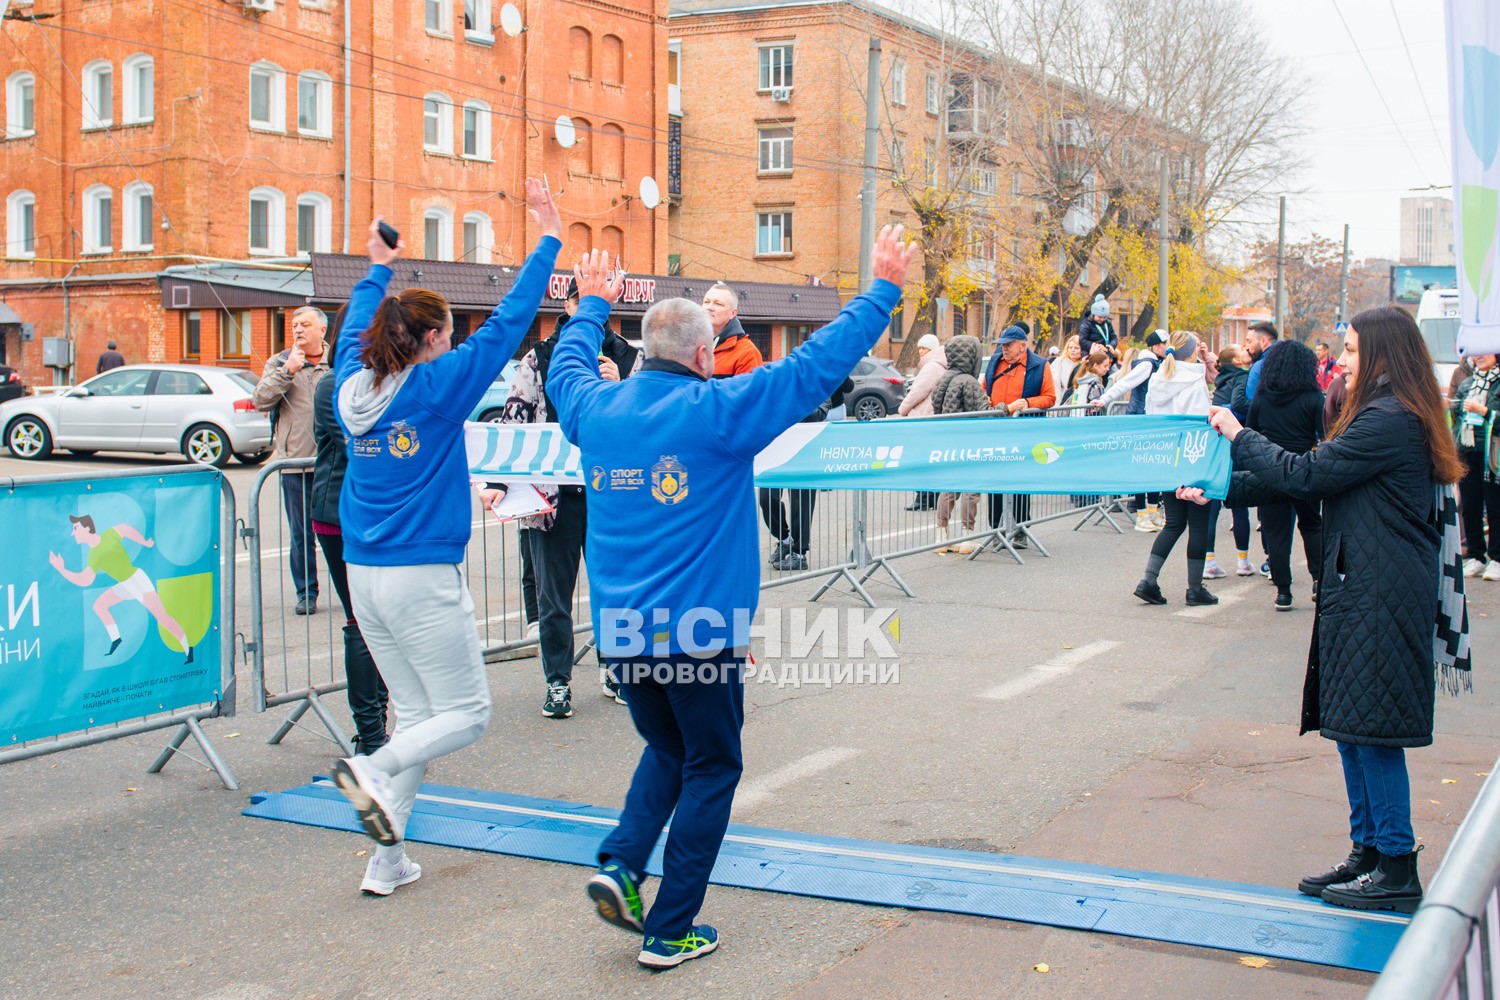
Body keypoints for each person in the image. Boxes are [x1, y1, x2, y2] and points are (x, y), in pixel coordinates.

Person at [548, 230, 918, 970]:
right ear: (702, 354)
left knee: (668, 747)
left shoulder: (596, 409)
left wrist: (590, 304)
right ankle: (670, 927)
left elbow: (564, 367)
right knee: (712, 766)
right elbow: (814, 369)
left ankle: (622, 863)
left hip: (622, 632)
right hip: (699, 634)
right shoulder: (717, 411)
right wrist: (880, 290)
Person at [1179, 305, 1469, 914]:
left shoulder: (1390, 418)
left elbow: (1307, 475)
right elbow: (1309, 479)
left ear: (1385, 356)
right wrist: (1220, 488)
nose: (1344, 361)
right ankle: (1367, 851)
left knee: (1374, 731)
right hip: (1360, 585)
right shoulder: (1380, 411)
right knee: (1351, 726)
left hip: (1382, 592)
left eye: (1356, 350)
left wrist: (1237, 433)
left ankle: (1394, 864)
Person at [327, 182, 561, 898]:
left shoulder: (350, 384)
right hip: (421, 577)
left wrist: (376, 269)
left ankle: (387, 859)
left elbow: (352, 329)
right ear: (430, 341)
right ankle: (368, 770)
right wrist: (547, 237)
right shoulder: (435, 387)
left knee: (422, 716)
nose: (456, 342)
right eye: (447, 334)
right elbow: (512, 318)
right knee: (466, 715)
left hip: (364, 574)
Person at [497, 276, 639, 718]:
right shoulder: (538, 358)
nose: (593, 306)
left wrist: (622, 385)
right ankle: (558, 681)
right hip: (553, 498)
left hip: (611, 496)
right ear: (569, 301)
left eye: (601, 299)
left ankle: (615, 670)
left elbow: (648, 419)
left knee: (614, 591)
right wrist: (497, 483)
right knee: (554, 597)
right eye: (584, 298)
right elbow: (512, 420)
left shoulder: (631, 357)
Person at [311, 307, 390, 757]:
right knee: (363, 622)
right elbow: (366, 446)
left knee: (380, 623)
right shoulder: (334, 385)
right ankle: (371, 736)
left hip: (373, 516)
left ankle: (377, 725)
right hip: (342, 516)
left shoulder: (380, 381)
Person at [252, 305, 332, 615]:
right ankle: (306, 593)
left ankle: (353, 588)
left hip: (332, 463)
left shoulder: (335, 361)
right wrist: (288, 373)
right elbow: (261, 400)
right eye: (294, 325)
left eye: (305, 324)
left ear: (321, 330)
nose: (298, 329)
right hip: (294, 464)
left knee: (341, 531)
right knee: (301, 534)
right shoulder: (281, 362)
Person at [1130, 332, 1216, 607]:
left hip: (1167, 457)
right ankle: (1194, 588)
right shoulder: (1194, 379)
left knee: (1174, 523)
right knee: (1199, 523)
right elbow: (1200, 424)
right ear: (1191, 352)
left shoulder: (1159, 378)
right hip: (1192, 456)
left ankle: (1148, 580)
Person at [50, 514, 193, 662]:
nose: (73, 533)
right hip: (125, 585)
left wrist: (144, 542)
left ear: (87, 528)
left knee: (162, 618)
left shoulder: (108, 536)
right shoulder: (93, 555)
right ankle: (116, 639)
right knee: (99, 605)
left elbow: (124, 529)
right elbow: (86, 579)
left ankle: (188, 648)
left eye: (76, 528)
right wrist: (62, 570)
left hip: (137, 581)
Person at [1248, 341, 1325, 610]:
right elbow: (1324, 435)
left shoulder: (1262, 396)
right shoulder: (1314, 398)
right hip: (1304, 468)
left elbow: (1251, 432)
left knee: (1277, 532)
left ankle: (1283, 592)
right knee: (1312, 525)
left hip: (1270, 470)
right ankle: (1319, 581)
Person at [982, 323, 1056, 546]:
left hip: (1023, 432)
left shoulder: (1040, 365)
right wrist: (984, 399)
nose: (1004, 349)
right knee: (995, 481)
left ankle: (1021, 528)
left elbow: (1051, 397)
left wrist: (1028, 403)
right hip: (996, 431)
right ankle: (996, 529)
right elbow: (984, 387)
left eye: (1009, 345)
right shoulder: (995, 362)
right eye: (1002, 345)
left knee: (1020, 480)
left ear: (1023, 346)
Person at [1095, 330, 1169, 531]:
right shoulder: (1146, 364)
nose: (1167, 346)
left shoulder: (1159, 364)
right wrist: (1104, 399)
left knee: (1154, 467)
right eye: (1164, 343)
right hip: (1140, 420)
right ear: (1155, 346)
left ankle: (1152, 511)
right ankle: (1142, 514)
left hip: (1152, 421)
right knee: (1142, 468)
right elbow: (1125, 383)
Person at [931, 335, 988, 554]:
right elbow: (985, 413)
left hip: (947, 441)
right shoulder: (969, 381)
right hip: (969, 441)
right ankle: (968, 535)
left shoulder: (943, 379)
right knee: (971, 489)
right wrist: (1003, 407)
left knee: (948, 488)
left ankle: (941, 535)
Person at [1450, 353, 1500, 581]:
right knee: (1469, 507)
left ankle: (1497, 558)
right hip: (1467, 451)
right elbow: (1455, 415)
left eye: (1484, 351)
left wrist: (1486, 413)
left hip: (1493, 454)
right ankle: (1477, 556)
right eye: (1476, 352)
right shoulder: (1467, 383)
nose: (1478, 356)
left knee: (1495, 506)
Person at [1207, 344, 1254, 577]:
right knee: (1239, 503)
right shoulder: (1242, 377)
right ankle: (1243, 562)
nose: (1246, 350)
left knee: (1213, 501)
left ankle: (1209, 562)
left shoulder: (1221, 379)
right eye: (1242, 349)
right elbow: (1239, 407)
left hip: (1215, 441)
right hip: (1233, 437)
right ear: (1236, 360)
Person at [898, 332, 946, 512]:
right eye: (919, 348)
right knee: (929, 459)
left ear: (932, 349)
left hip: (923, 417)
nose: (920, 351)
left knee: (921, 459)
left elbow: (918, 391)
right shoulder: (938, 364)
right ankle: (929, 497)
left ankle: (923, 498)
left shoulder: (931, 367)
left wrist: (902, 409)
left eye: (924, 348)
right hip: (931, 417)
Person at [703, 282, 762, 377]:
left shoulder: (747, 353)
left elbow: (747, 391)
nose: (709, 307)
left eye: (718, 304)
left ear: (733, 313)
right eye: (706, 302)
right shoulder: (691, 346)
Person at [1231, 320, 1279, 414]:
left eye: (1249, 341)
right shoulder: (1293, 360)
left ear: (1263, 341)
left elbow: (1252, 406)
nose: (1247, 347)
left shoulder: (1259, 367)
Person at [1077, 295, 1118, 359]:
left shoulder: (1108, 324)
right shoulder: (1086, 324)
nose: (1102, 319)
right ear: (1093, 314)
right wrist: (1097, 347)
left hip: (1106, 352)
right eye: (1099, 317)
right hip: (1090, 352)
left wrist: (1111, 345)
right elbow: (1082, 340)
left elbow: (1114, 338)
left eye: (1104, 317)